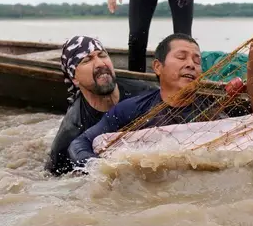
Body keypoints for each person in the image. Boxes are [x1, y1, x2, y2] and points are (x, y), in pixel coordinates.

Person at [67, 33, 226, 168]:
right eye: (181, 57)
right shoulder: (131, 109)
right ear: (157, 67)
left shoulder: (212, 109)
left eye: (197, 61)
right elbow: (80, 143)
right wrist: (103, 169)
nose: (191, 65)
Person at [45, 35, 156, 176]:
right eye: (87, 60)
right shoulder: (71, 131)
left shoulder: (145, 93)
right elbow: (52, 178)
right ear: (74, 78)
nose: (100, 64)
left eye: (102, 55)